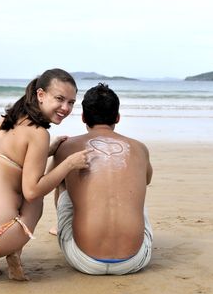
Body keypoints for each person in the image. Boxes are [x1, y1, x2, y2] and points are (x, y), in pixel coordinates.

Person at [0, 68, 92, 280]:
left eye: (71, 102)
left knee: (11, 183)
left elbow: (11, 161)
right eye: (60, 99)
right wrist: (68, 164)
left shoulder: (3, 121)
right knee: (34, 195)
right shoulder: (38, 133)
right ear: (40, 95)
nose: (65, 108)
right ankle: (13, 253)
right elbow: (32, 191)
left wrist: (48, 151)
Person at [51, 83, 153, 275]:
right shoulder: (139, 148)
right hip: (134, 259)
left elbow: (50, 181)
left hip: (84, 259)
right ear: (117, 117)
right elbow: (146, 181)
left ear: (83, 117)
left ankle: (61, 228)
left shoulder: (66, 147)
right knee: (135, 195)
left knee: (62, 180)